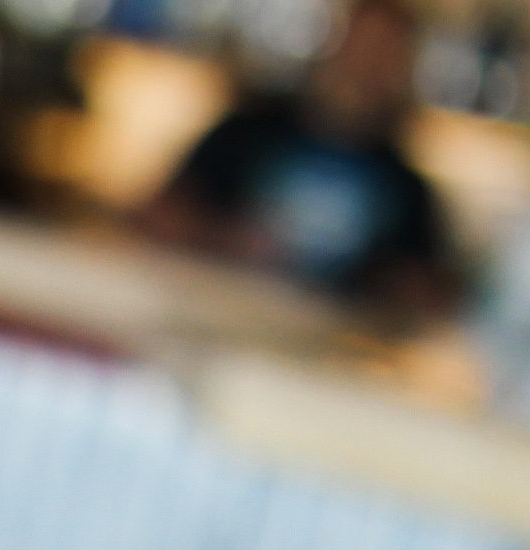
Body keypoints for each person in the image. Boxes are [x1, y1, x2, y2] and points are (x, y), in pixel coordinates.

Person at [144, 0, 459, 315]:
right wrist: (219, 238)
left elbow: (433, 295)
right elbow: (157, 213)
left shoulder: (408, 188)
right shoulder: (247, 131)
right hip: (211, 318)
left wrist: (381, 284)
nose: (367, 66)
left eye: (384, 55)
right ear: (333, 46)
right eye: (361, 46)